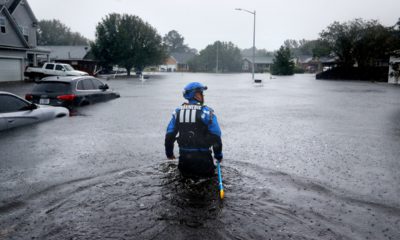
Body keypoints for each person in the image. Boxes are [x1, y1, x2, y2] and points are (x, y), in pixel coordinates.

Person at [165, 82, 223, 178]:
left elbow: (169, 135)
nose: (202, 95)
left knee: (184, 183)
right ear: (195, 95)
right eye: (201, 93)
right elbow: (216, 136)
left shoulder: (178, 112)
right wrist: (218, 156)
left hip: (184, 160)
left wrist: (169, 154)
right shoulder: (207, 112)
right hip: (204, 161)